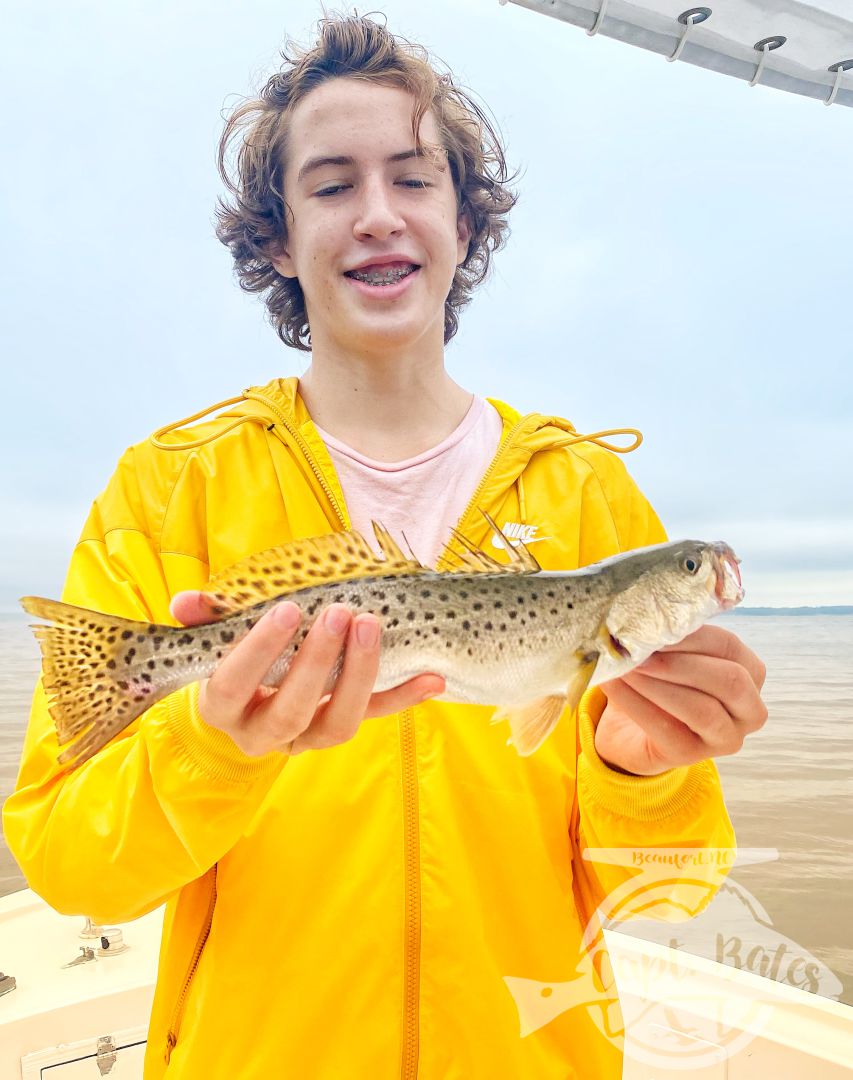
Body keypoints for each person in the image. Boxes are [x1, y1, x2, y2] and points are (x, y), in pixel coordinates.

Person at [3, 13, 767, 1079]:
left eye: (414, 180)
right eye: (329, 185)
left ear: (465, 221)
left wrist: (635, 766)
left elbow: (673, 890)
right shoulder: (170, 487)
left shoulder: (589, 495)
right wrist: (213, 746)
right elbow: (75, 871)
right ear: (276, 236)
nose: (377, 216)